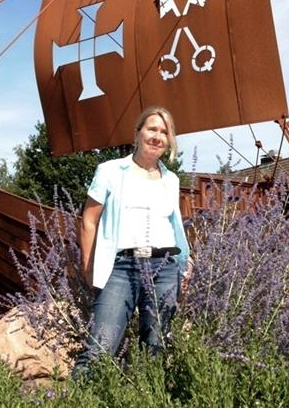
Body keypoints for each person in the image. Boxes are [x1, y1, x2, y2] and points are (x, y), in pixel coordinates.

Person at [72, 106, 190, 378]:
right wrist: (89, 267)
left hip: (164, 268)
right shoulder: (110, 171)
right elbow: (89, 219)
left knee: (155, 348)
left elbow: (173, 225)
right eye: (152, 129)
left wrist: (185, 261)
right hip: (121, 268)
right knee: (100, 347)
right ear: (137, 133)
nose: (157, 136)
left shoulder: (171, 180)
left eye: (164, 132)